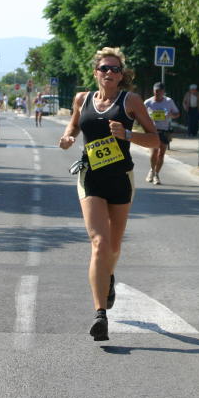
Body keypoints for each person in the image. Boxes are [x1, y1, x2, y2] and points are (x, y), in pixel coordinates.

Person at [58, 47, 159, 341]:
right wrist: (67, 137)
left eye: (115, 70)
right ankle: (100, 314)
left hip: (120, 178)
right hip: (91, 176)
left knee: (113, 247)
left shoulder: (132, 102)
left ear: (122, 75)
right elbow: (75, 124)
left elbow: (155, 140)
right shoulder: (83, 98)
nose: (110, 74)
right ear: (96, 72)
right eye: (104, 69)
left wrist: (127, 135)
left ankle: (108, 277)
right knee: (99, 243)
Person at [143, 82, 180, 185]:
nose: (157, 94)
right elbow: (140, 115)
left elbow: (177, 113)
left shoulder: (169, 101)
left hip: (165, 131)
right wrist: (147, 120)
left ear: (163, 92)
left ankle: (156, 174)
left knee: (161, 154)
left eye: (159, 92)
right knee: (154, 152)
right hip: (153, 131)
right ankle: (152, 170)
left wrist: (170, 115)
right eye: (155, 91)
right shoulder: (148, 102)